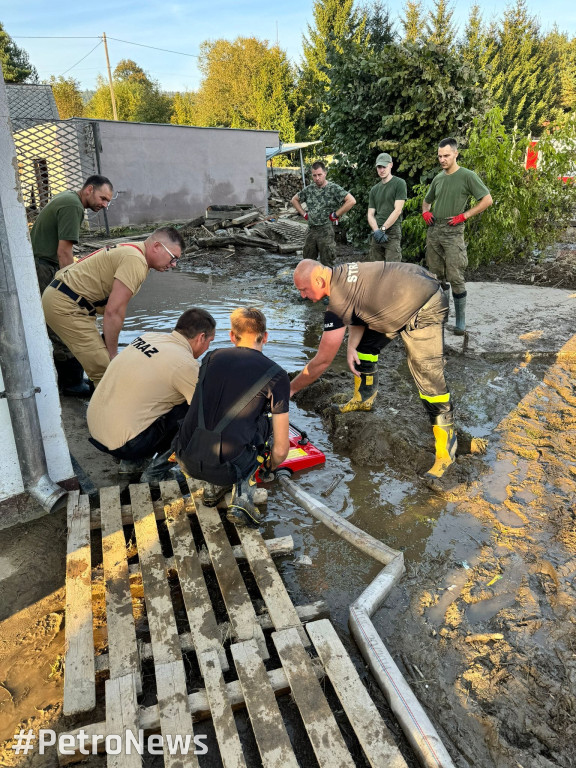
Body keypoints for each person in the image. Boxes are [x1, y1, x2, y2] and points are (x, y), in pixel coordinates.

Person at [291, 259, 456, 482]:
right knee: (363, 349)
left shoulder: (338, 302)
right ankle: (364, 398)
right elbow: (360, 310)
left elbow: (321, 361)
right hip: (403, 293)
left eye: (303, 289)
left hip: (424, 304)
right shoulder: (340, 276)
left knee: (428, 378)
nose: (302, 295)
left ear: (319, 280)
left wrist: (289, 390)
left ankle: (446, 454)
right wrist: (351, 347)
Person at [174, 307, 290, 526]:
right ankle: (243, 496)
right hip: (229, 467)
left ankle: (212, 489)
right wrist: (269, 467)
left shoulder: (211, 357)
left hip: (185, 456)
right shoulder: (277, 375)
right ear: (265, 337)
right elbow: (281, 450)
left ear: (231, 336)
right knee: (266, 424)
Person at [42, 226, 185, 387]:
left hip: (67, 299)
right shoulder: (135, 261)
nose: (173, 265)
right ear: (157, 246)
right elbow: (114, 312)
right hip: (66, 305)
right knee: (108, 371)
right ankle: (113, 409)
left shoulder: (133, 251)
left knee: (103, 363)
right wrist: (112, 354)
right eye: (173, 258)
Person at [86, 308, 216, 483]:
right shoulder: (185, 364)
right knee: (198, 412)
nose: (208, 347)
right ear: (201, 337)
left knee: (156, 396)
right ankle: (155, 474)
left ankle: (131, 465)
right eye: (210, 341)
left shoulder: (148, 338)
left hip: (97, 429)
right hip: (126, 444)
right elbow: (207, 415)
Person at [31, 174, 114, 396]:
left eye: (108, 201)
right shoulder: (73, 206)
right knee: (64, 321)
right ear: (89, 190)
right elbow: (64, 252)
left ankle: (72, 379)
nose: (104, 205)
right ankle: (70, 384)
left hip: (42, 263)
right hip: (45, 266)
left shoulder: (68, 199)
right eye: (103, 198)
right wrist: (73, 286)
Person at [422, 137, 493, 335]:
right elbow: (426, 201)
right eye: (439, 156)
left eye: (446, 155)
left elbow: (487, 199)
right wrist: (425, 212)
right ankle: (442, 315)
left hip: (454, 230)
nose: (442, 159)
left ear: (455, 154)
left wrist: (465, 215)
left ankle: (460, 319)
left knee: (455, 275)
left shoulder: (467, 176)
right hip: (435, 229)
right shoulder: (438, 178)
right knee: (436, 275)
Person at [290, 161, 356, 266]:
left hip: (326, 230)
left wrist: (336, 214)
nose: (317, 178)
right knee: (308, 262)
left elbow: (351, 201)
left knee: (327, 262)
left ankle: (328, 282)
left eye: (319, 175)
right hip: (311, 230)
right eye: (314, 175)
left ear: (325, 173)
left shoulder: (333, 188)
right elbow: (294, 200)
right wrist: (304, 214)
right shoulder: (309, 189)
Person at [367, 153, 407, 262]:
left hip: (392, 231)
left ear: (391, 165)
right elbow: (370, 214)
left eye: (384, 166)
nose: (382, 170)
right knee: (376, 267)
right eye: (379, 167)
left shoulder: (399, 183)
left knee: (393, 268)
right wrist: (376, 231)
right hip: (377, 232)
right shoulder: (374, 190)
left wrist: (383, 229)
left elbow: (398, 210)